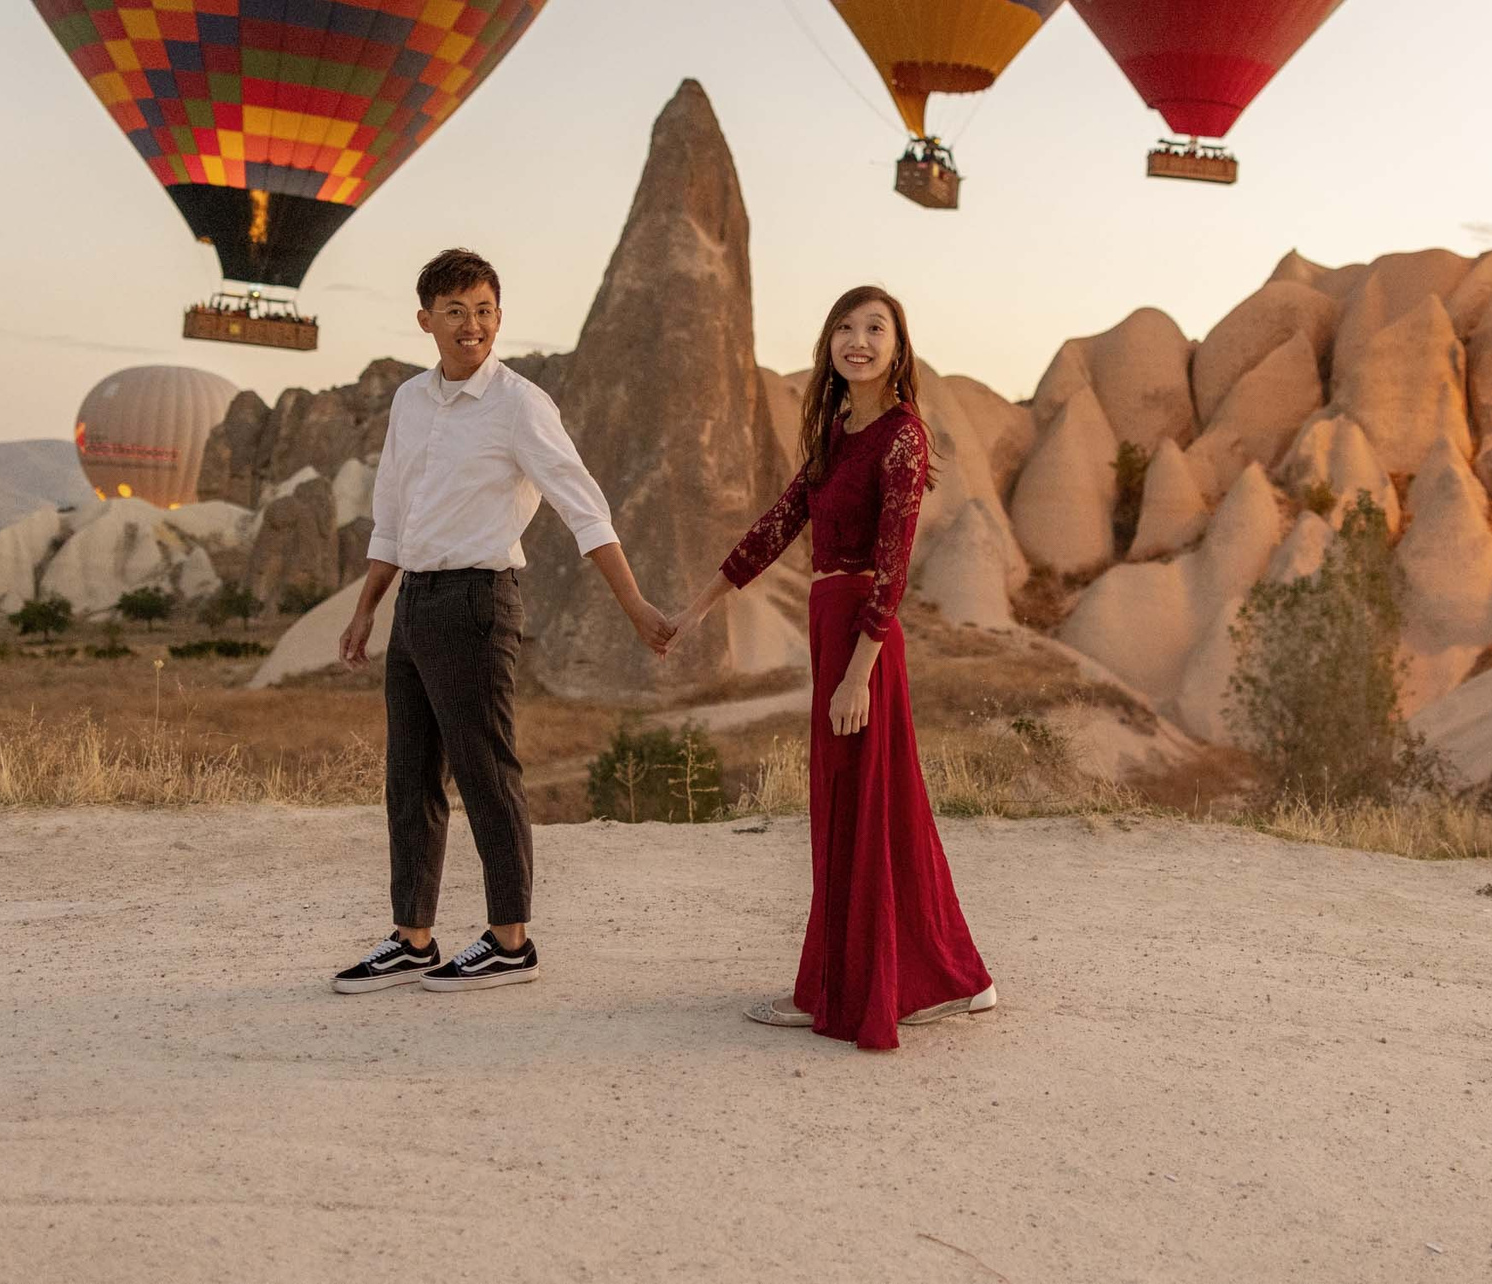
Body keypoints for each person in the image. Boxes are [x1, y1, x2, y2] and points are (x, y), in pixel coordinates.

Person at [330, 248, 673, 996]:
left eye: (484, 310)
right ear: (425, 320)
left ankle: (511, 941)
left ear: (499, 316)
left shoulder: (520, 404)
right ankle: (413, 938)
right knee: (410, 777)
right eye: (455, 311)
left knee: (486, 772)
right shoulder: (410, 401)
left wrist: (634, 604)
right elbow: (391, 516)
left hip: (478, 601)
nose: (472, 325)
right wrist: (366, 610)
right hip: (415, 601)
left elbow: (583, 506)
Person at [669, 286, 994, 1050]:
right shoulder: (836, 433)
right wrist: (698, 609)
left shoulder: (902, 436)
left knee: (866, 808)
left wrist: (857, 675)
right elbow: (778, 524)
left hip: (861, 638)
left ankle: (865, 985)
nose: (860, 340)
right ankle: (940, 977)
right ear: (829, 345)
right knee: (862, 809)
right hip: (830, 625)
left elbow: (893, 565)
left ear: (898, 347)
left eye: (876, 328)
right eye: (846, 327)